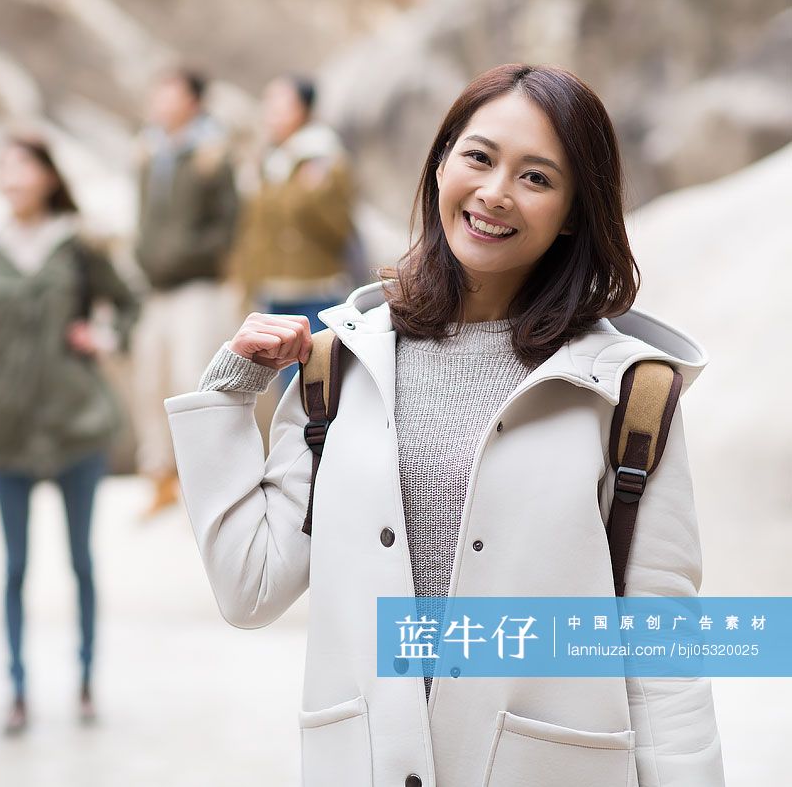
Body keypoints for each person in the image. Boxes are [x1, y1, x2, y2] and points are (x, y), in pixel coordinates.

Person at [166, 65, 724, 785]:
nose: (495, 192)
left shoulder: (629, 394)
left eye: (536, 177)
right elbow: (249, 586)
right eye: (479, 157)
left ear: (573, 212)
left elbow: (664, 658)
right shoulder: (339, 367)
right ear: (439, 166)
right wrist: (229, 390)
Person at [0, 136, 139, 735]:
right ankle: (16, 688)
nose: (10, 176)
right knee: (14, 567)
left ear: (47, 175)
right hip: (8, 427)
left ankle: (86, 681)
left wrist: (105, 337)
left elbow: (129, 302)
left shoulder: (78, 244)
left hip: (76, 422)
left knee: (80, 562)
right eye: (2, 166)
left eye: (22, 165)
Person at [132, 67, 240, 518]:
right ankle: (158, 478)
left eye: (170, 94)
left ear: (193, 101)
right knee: (149, 382)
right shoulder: (148, 151)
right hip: (156, 286)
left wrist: (189, 253)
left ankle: (200, 484)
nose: (160, 102)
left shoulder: (211, 154)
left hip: (198, 285)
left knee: (189, 379)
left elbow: (229, 223)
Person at [232, 74, 356, 388]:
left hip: (316, 289)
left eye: (280, 104)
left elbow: (338, 227)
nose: (271, 112)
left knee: (318, 380)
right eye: (268, 103)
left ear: (303, 109)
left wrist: (309, 189)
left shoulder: (326, 156)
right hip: (274, 288)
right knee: (284, 384)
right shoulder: (271, 160)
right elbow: (255, 228)